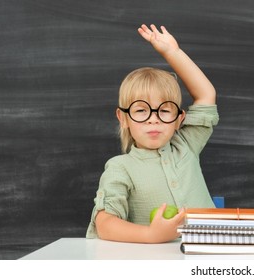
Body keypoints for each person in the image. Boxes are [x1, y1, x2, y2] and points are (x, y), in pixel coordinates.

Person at [85, 24, 218, 243]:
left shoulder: (186, 144)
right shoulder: (121, 167)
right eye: (140, 110)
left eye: (164, 110)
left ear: (179, 119)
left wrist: (172, 53)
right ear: (123, 118)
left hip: (211, 256)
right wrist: (151, 235)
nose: (153, 118)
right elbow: (104, 223)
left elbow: (206, 95)